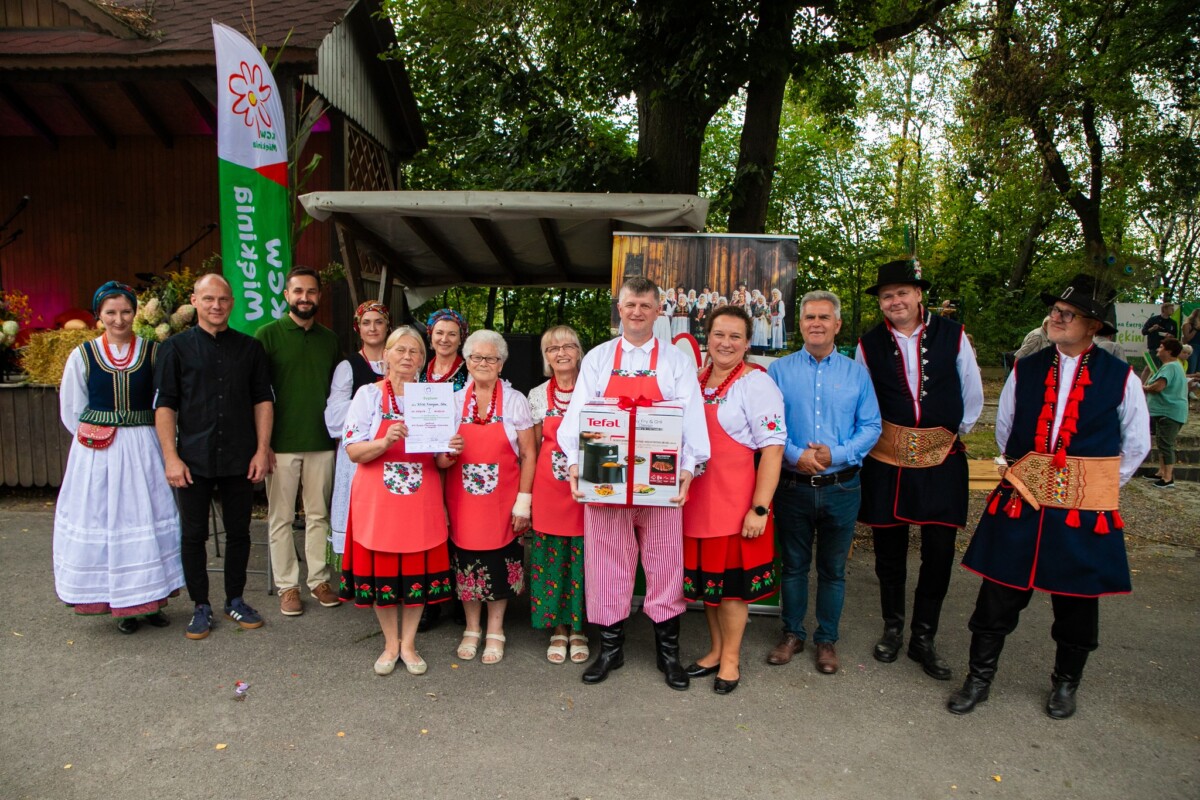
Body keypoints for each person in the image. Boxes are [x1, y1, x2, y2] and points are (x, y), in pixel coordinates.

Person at [948, 274, 1150, 719]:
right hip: (1022, 500)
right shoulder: (1027, 368)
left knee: (1077, 602)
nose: (1056, 318)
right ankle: (978, 679)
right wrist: (1032, 476)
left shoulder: (1121, 377)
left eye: (1068, 313)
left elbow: (1137, 444)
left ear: (1093, 325)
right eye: (1056, 310)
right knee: (997, 595)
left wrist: (1092, 486)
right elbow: (1006, 429)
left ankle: (1065, 684)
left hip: (1082, 511)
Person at [559, 276, 710, 691]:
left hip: (659, 475)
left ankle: (668, 654)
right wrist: (574, 462)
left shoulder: (676, 361)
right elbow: (578, 416)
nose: (637, 312)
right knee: (607, 564)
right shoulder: (598, 358)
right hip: (606, 473)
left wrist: (688, 467)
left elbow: (692, 416)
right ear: (620, 309)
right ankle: (611, 650)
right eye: (630, 305)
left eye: (645, 305)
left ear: (658, 310)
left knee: (665, 564)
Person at [856, 259, 984, 681]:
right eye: (887, 296)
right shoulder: (868, 344)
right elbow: (863, 399)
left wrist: (945, 436)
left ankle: (923, 635)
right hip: (887, 459)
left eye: (902, 293)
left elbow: (972, 393)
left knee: (939, 552)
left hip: (941, 459)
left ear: (918, 294)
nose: (895, 301)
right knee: (889, 551)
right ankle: (893, 627)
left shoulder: (954, 335)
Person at [54, 281, 184, 634]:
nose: (119, 319)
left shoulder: (153, 352)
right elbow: (72, 408)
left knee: (147, 517)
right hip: (99, 454)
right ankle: (120, 604)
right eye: (110, 312)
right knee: (108, 521)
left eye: (126, 311)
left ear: (135, 313)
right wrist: (93, 438)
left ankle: (152, 599)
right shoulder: (83, 355)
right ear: (99, 315)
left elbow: (165, 401)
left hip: (144, 445)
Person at [765, 291, 881, 675]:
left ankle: (827, 639)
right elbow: (768, 425)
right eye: (810, 317)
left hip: (841, 487)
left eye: (824, 317)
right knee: (794, 566)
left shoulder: (857, 373)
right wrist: (796, 454)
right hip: (793, 485)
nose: (816, 323)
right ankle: (792, 634)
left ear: (837, 324)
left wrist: (839, 454)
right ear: (799, 324)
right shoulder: (778, 372)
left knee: (833, 570)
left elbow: (871, 426)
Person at [154, 273, 273, 639]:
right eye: (208, 299)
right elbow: (165, 405)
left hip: (240, 456)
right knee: (193, 535)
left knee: (239, 532)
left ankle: (235, 599)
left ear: (232, 303)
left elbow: (263, 401)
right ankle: (200, 605)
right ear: (195, 301)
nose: (216, 306)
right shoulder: (174, 348)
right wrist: (170, 457)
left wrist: (262, 450)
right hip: (193, 458)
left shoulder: (250, 348)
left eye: (222, 299)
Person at [339, 326, 457, 676]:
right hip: (378, 501)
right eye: (400, 350)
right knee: (385, 573)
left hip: (421, 498)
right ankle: (391, 643)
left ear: (423, 359)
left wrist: (451, 451)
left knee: (416, 570)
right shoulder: (368, 396)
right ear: (386, 355)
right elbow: (353, 451)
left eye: (415, 351)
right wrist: (385, 441)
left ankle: (409, 644)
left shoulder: (434, 398)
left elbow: (440, 461)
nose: (407, 357)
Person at [682, 306, 786, 694]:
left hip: (734, 504)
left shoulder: (756, 384)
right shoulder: (695, 380)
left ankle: (731, 659)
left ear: (747, 343)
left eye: (735, 336)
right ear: (707, 337)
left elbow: (773, 450)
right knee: (709, 588)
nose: (726, 343)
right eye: (719, 334)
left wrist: (759, 508)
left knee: (731, 590)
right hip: (695, 502)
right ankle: (714, 650)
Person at [435, 329, 536, 665]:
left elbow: (529, 454)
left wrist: (524, 502)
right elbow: (439, 460)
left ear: (501, 364)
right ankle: (471, 627)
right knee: (467, 564)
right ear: (466, 361)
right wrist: (447, 454)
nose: (483, 363)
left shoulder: (515, 401)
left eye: (490, 358)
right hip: (463, 502)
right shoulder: (451, 402)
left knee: (500, 563)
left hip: (503, 502)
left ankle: (495, 628)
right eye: (476, 357)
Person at [256, 267, 341, 616]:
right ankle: (287, 586)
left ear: (319, 296)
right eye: (298, 291)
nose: (304, 298)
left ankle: (318, 579)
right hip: (281, 443)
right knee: (281, 517)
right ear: (286, 295)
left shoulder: (329, 340)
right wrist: (262, 444)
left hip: (321, 440)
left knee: (319, 515)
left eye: (311, 291)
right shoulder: (267, 335)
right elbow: (258, 393)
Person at [528, 325, 589, 664]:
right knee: (551, 558)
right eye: (553, 348)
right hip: (549, 488)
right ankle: (558, 628)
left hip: (587, 489)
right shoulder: (537, 395)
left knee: (582, 558)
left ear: (579, 352)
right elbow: (534, 448)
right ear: (546, 357)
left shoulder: (594, 388)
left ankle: (579, 627)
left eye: (568, 346)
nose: (561, 353)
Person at [323, 302, 389, 573]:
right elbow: (334, 419)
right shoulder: (348, 367)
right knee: (358, 508)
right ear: (358, 328)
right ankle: (357, 571)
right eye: (366, 323)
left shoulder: (401, 361)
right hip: (358, 453)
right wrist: (370, 397)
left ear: (387, 326)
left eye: (378, 322)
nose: (372, 328)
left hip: (392, 451)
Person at [1142, 337, 1188, 488]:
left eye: (1161, 347)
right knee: (1162, 443)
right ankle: (1161, 472)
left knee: (1166, 444)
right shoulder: (1170, 366)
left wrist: (1143, 388)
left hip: (1170, 412)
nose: (1158, 349)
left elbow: (1158, 387)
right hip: (1164, 411)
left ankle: (1168, 478)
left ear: (1169, 351)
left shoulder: (1170, 367)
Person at [421, 308, 471, 391]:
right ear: (431, 336)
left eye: (452, 334)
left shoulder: (470, 371)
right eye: (439, 333)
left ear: (460, 339)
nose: (444, 339)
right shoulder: (420, 368)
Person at [1142, 303, 1177, 367]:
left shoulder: (1173, 323)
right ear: (1164, 309)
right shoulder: (1153, 319)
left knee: (1164, 366)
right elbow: (1144, 332)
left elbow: (1175, 336)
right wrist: (1152, 328)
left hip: (1166, 348)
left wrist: (1170, 336)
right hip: (1154, 347)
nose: (1173, 310)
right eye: (1171, 309)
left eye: (1173, 309)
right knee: (1154, 366)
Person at [1181, 308, 1200, 373]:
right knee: (1191, 368)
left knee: (1198, 371)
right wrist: (1195, 329)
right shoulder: (1187, 325)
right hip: (1192, 348)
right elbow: (1187, 338)